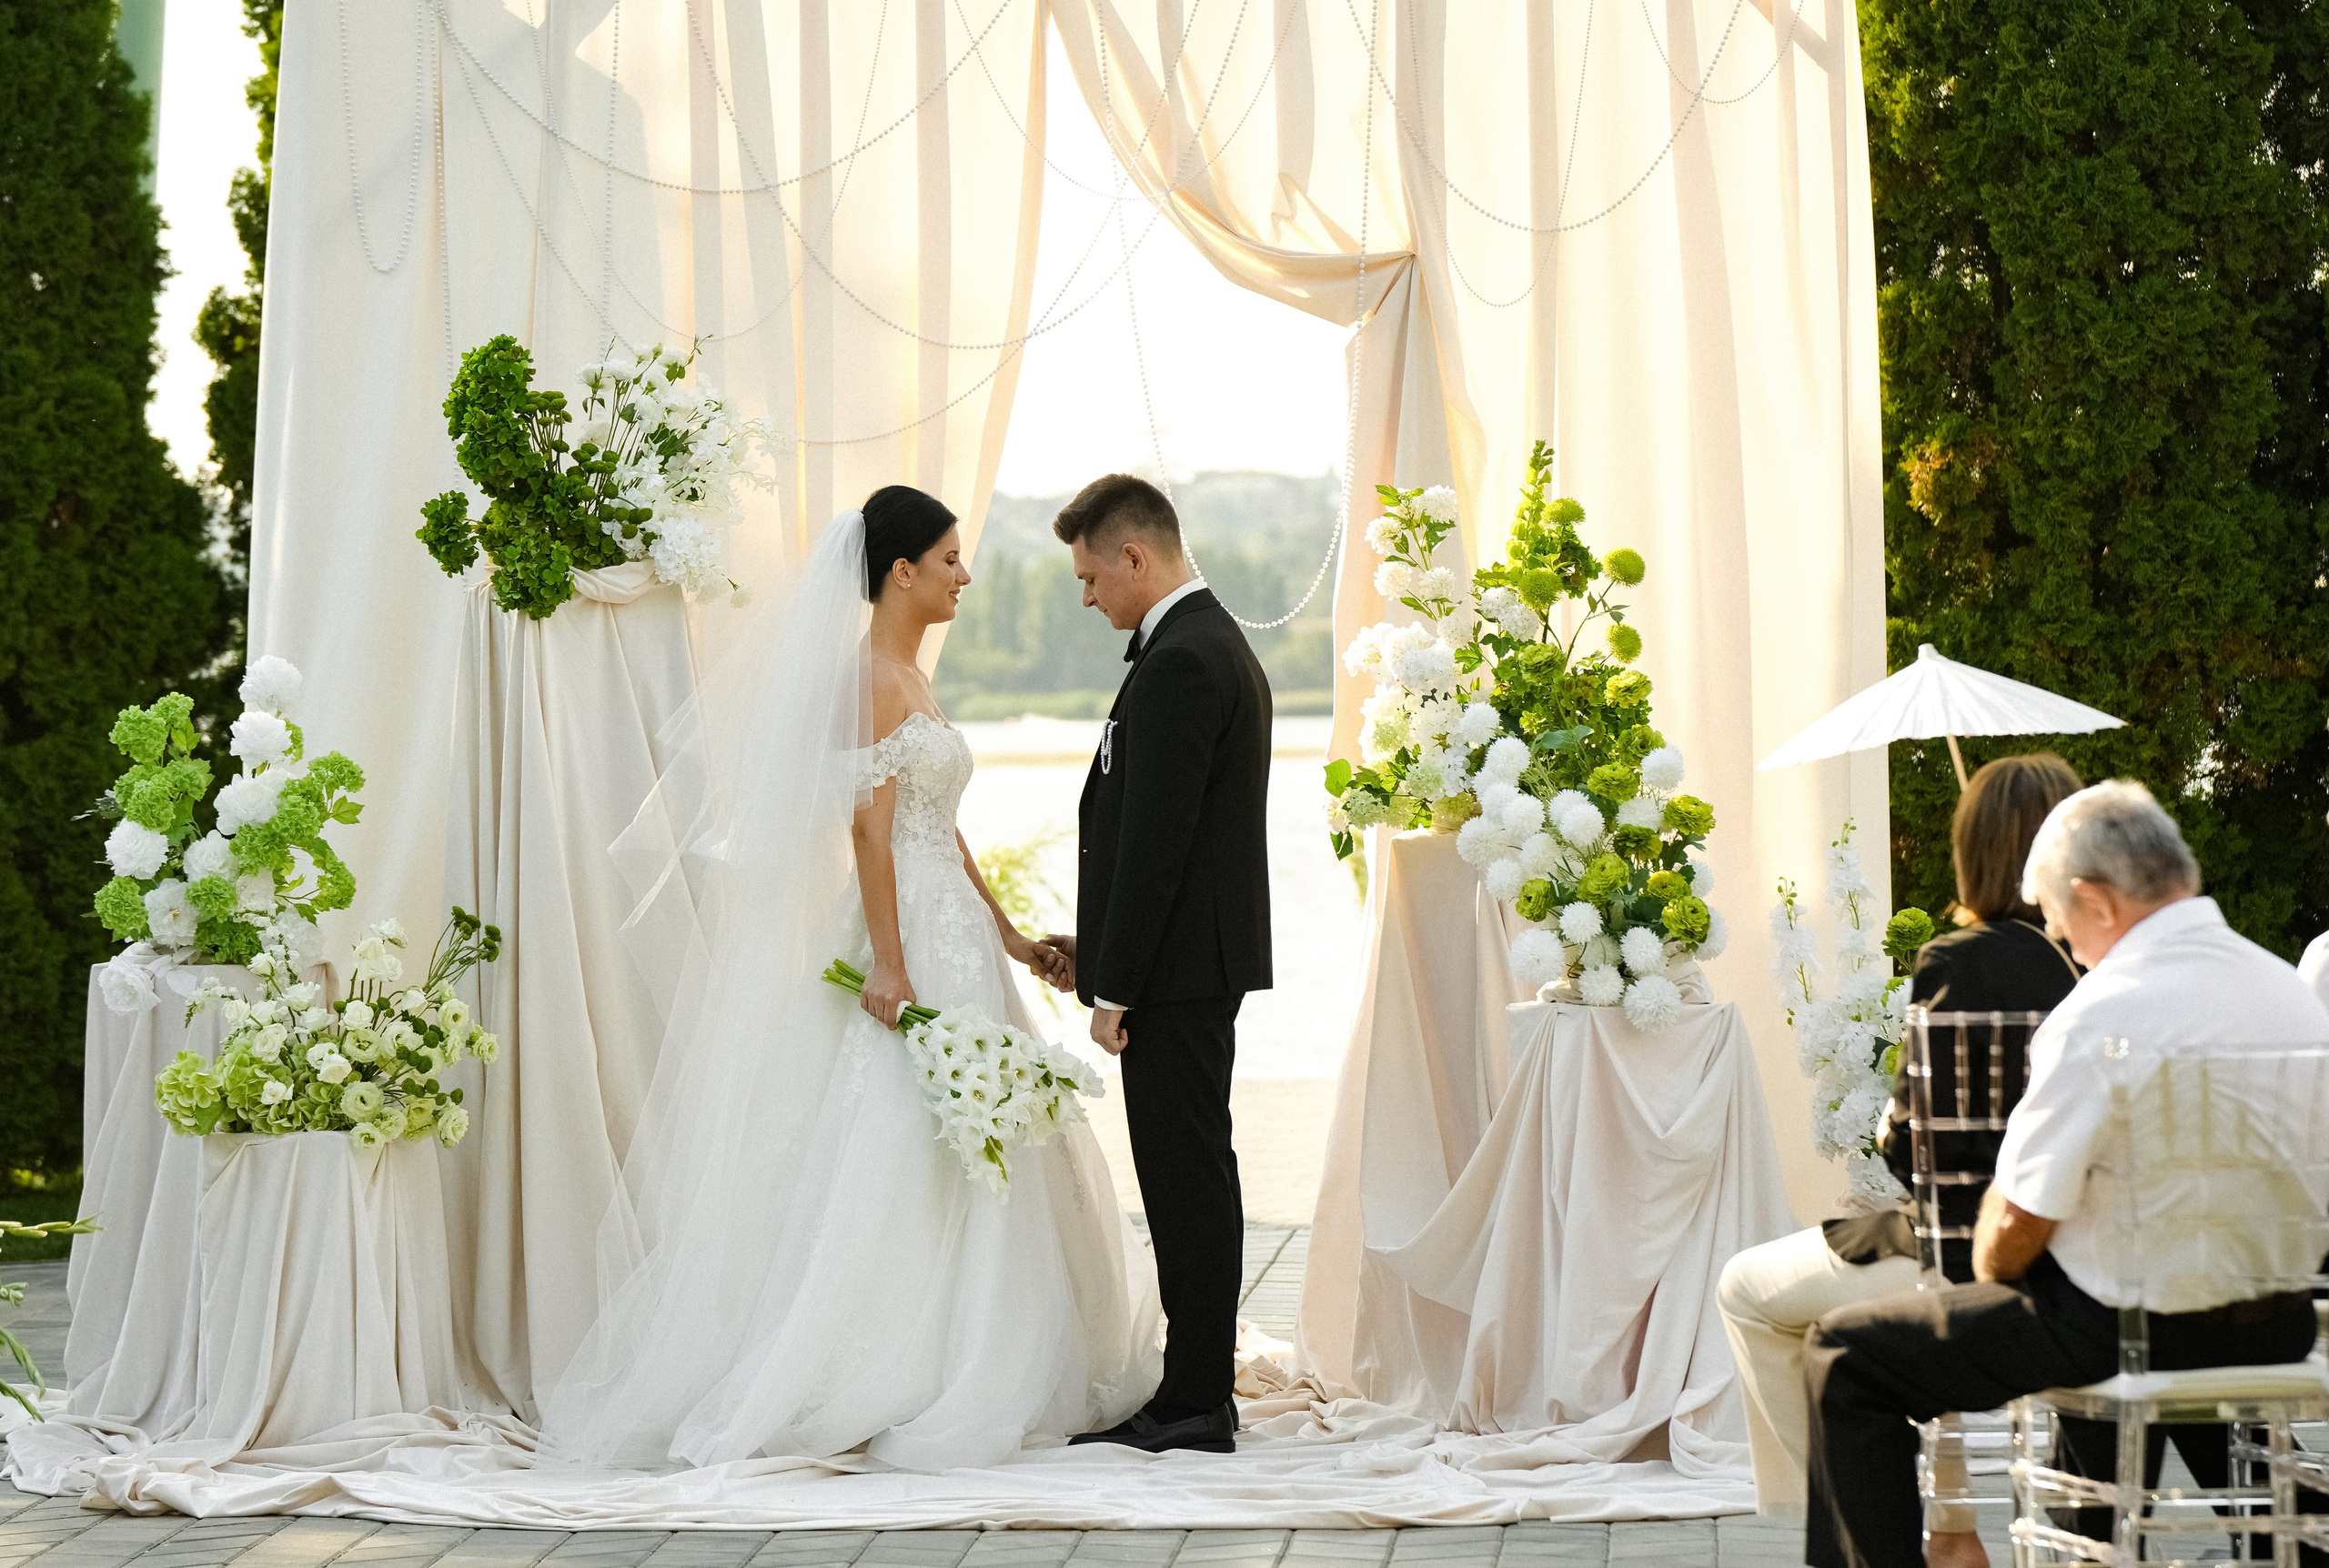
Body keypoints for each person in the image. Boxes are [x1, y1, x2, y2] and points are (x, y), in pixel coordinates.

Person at [536, 489, 1162, 1471]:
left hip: (950, 927)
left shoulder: (910, 672)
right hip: (904, 932)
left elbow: (936, 821)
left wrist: (1002, 932)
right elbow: (868, 826)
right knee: (895, 1129)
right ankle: (891, 1361)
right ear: (900, 570)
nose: (965, 574)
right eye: (950, 558)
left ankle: (981, 1339)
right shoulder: (868, 678)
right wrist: (890, 957)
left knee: (973, 1131)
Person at [1800, 780, 2329, 1568]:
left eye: (2055, 914)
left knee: (1844, 1356)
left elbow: (2008, 1239)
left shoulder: (2102, 1011)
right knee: (2127, 1293)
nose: (2057, 936)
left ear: (2097, 899)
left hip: (2130, 1328)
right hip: (2277, 1322)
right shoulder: (2289, 992)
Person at [1719, 754, 2082, 1557]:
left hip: (1965, 1257)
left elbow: (1905, 1146)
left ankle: (1844, 1517)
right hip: (2086, 1264)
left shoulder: (1953, 963)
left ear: (1972, 851)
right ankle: (1949, 1525)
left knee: (1745, 1289)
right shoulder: (2097, 965)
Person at [1033, 474, 1273, 1456]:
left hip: (1174, 975)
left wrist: (1117, 985)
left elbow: (1160, 840)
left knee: (1183, 1181)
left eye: (1091, 576)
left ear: (1135, 556)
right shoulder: (1200, 642)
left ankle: (1193, 1401)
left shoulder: (1182, 659)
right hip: (1183, 959)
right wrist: (1101, 952)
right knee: (1190, 1173)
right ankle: (1194, 1388)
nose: (1087, 597)